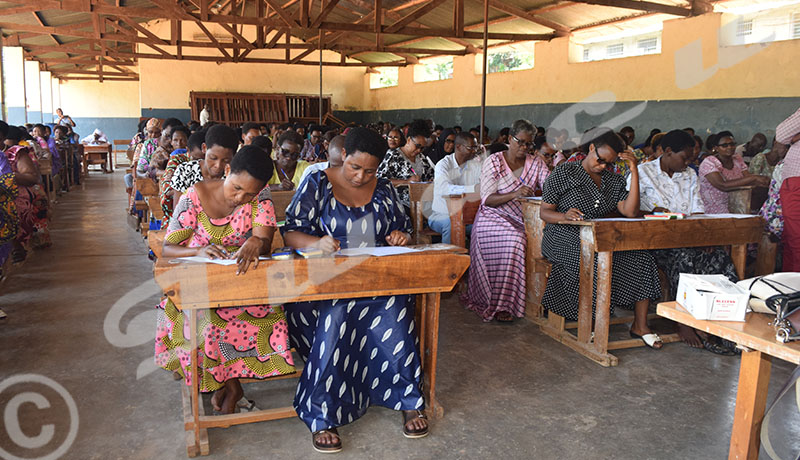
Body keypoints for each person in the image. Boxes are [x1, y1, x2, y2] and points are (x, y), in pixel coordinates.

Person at [280, 127, 427, 453]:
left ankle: (408, 399)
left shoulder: (385, 188)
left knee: (396, 307)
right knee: (338, 310)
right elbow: (290, 233)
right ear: (343, 155)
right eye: (355, 167)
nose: (361, 176)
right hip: (325, 283)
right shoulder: (318, 183)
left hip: (375, 278)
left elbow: (398, 229)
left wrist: (399, 236)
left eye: (370, 170)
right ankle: (322, 412)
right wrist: (316, 243)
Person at [155, 145, 294, 414]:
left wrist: (257, 240)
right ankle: (231, 387)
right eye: (236, 188)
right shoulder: (193, 196)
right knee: (205, 318)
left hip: (241, 285)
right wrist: (198, 249)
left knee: (266, 313)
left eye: (249, 193)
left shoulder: (259, 199)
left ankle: (226, 384)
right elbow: (167, 249)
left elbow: (264, 242)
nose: (240, 198)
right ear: (227, 171)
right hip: (197, 287)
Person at [540, 128, 663, 348]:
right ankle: (591, 323)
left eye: (609, 163)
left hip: (598, 236)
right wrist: (564, 215)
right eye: (600, 160)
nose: (603, 166)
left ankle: (640, 325)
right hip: (563, 234)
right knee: (592, 260)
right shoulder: (564, 172)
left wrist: (634, 170)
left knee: (641, 258)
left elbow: (630, 211)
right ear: (591, 148)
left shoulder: (613, 181)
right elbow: (544, 212)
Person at [631, 130, 739, 353]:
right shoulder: (642, 172)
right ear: (668, 152)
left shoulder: (689, 174)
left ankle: (721, 318)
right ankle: (684, 320)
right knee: (684, 257)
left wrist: (704, 236)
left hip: (687, 237)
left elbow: (697, 210)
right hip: (654, 242)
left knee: (718, 256)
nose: (689, 162)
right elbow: (628, 210)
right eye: (685, 157)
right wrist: (650, 211)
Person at [463, 119, 550, 322]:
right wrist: (514, 194)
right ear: (510, 139)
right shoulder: (494, 161)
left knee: (538, 239)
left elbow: (549, 187)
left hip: (521, 218)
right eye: (521, 142)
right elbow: (487, 199)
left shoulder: (535, 162)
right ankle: (502, 304)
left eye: (529, 144)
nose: (525, 148)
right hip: (491, 218)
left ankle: (533, 300)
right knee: (516, 240)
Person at [3, 126, 50, 262]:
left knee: (8, 210)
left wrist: (7, 178)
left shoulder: (18, 153)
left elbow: (31, 178)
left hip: (17, 192)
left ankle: (16, 246)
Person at [428, 132, 483, 244]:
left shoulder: (476, 165)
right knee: (452, 223)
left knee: (486, 225)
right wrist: (473, 188)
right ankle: (450, 260)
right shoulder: (443, 165)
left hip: (467, 216)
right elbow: (445, 188)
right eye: (471, 148)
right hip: (440, 214)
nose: (474, 151)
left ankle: (476, 260)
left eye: (476, 147)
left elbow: (483, 186)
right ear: (458, 147)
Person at [698, 131, 770, 214]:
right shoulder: (709, 163)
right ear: (716, 148)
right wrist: (753, 178)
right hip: (715, 210)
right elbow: (723, 186)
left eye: (732, 144)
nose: (730, 147)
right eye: (724, 145)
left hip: (737, 207)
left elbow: (747, 178)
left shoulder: (737, 158)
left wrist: (760, 181)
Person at [167, 125, 238, 207]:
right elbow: (178, 214)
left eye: (226, 161)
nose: (218, 166)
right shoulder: (185, 171)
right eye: (213, 158)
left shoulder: (234, 177)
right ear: (204, 148)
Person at [377, 120, 435, 209]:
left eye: (423, 148)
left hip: (421, 204)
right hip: (399, 205)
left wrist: (431, 181)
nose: (419, 150)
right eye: (417, 146)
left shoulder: (421, 158)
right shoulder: (393, 156)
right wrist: (406, 182)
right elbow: (379, 180)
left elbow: (431, 175)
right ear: (408, 140)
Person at [159, 129, 207, 222]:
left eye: (204, 159)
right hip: (177, 218)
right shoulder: (177, 161)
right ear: (188, 150)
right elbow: (167, 191)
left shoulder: (213, 165)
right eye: (196, 159)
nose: (200, 163)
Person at [777, 107, 800, 271]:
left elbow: (783, 136)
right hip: (794, 180)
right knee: (792, 239)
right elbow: (783, 136)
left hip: (796, 180)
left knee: (796, 239)